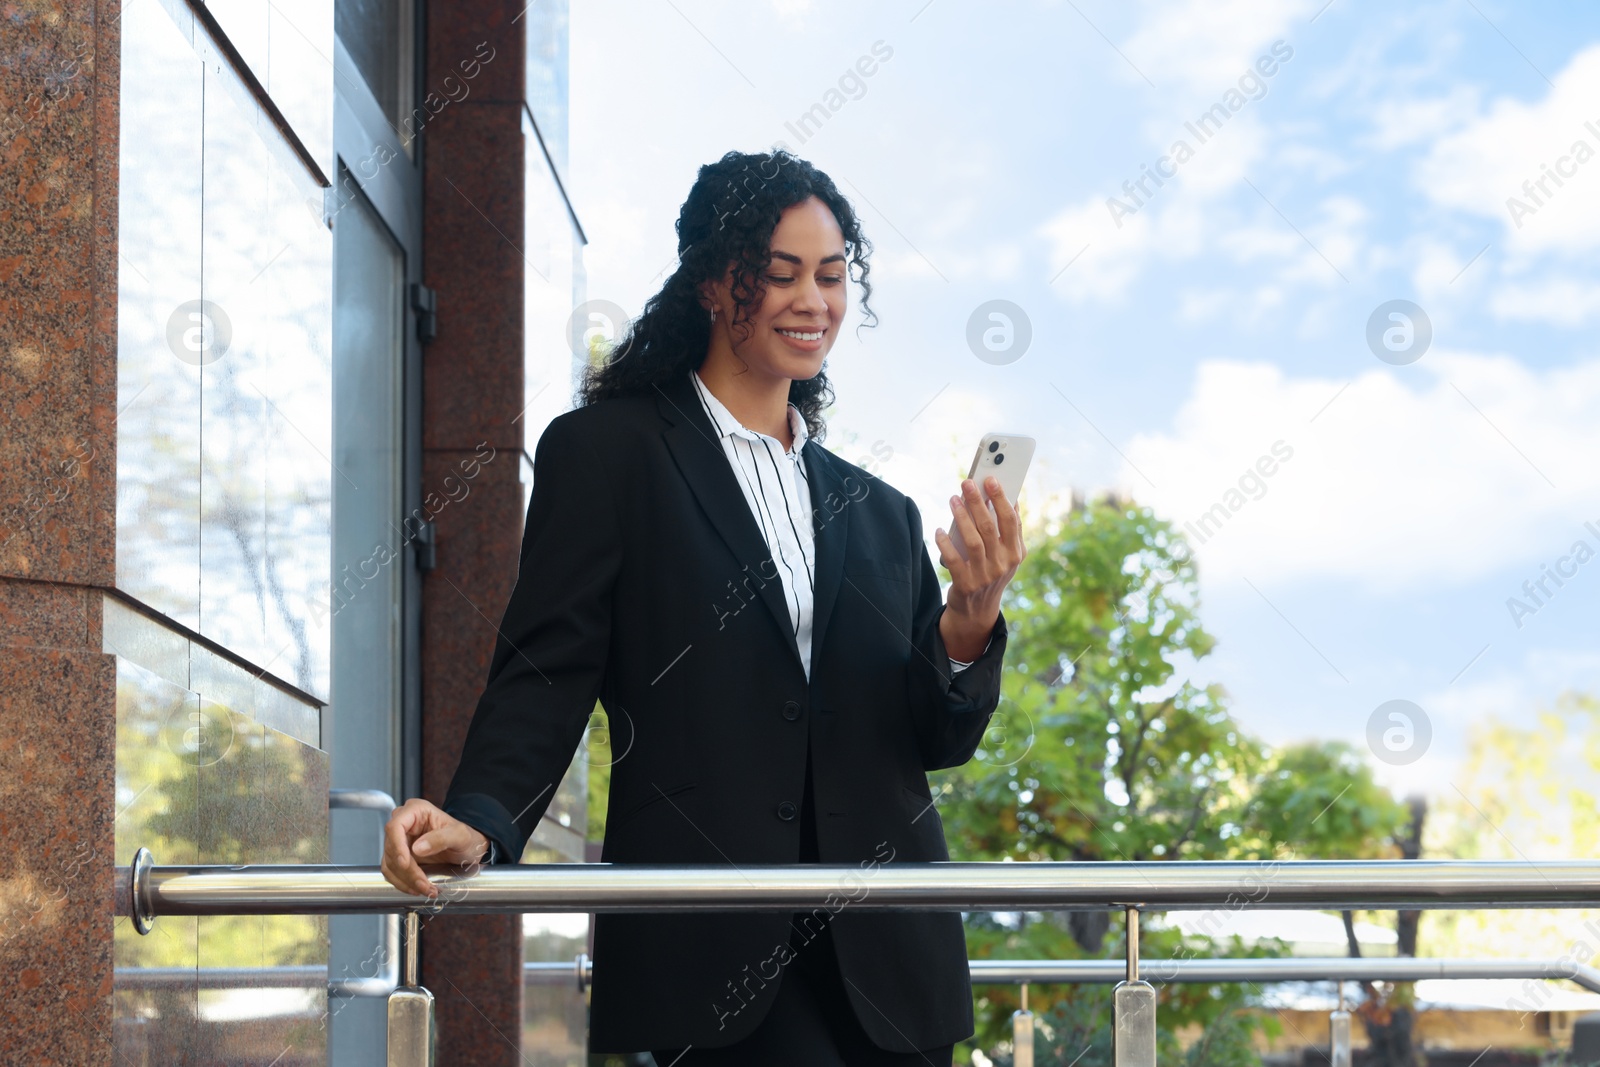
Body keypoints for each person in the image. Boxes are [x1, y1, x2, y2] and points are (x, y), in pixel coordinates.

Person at [380, 149, 1025, 1065]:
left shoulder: (881, 512)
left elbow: (932, 739)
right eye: (782, 272)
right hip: (711, 947)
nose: (815, 300)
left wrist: (970, 616)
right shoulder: (610, 454)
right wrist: (481, 816)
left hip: (891, 963)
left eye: (834, 276)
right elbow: (547, 668)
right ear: (716, 283)